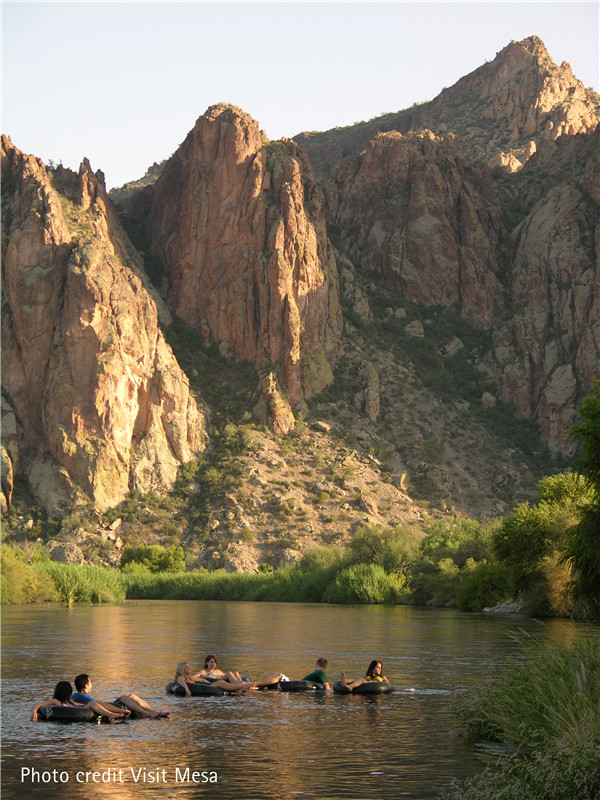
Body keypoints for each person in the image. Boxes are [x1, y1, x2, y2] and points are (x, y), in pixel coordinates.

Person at [72, 674, 169, 719]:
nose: (91, 685)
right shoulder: (83, 697)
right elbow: (100, 704)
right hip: (111, 706)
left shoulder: (78, 696)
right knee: (124, 697)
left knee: (132, 695)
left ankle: (154, 711)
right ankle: (148, 713)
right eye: (90, 683)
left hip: (109, 705)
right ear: (86, 686)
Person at [31, 680, 128, 722]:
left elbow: (80, 705)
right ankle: (111, 714)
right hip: (70, 714)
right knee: (93, 703)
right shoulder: (56, 701)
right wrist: (35, 712)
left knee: (97, 703)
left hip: (79, 710)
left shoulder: (70, 702)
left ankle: (119, 711)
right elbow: (40, 705)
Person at [193, 656, 283, 689]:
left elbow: (228, 676)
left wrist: (235, 675)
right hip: (214, 682)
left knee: (234, 672)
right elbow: (193, 677)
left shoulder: (218, 671)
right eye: (211, 662)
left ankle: (241, 683)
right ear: (206, 663)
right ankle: (242, 685)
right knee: (228, 673)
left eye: (214, 662)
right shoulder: (203, 672)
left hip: (223, 680)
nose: (213, 664)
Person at [174, 662, 257, 696]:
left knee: (220, 682)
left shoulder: (190, 677)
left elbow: (201, 680)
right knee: (220, 683)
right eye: (187, 668)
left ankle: (239, 690)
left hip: (207, 686)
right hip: (199, 688)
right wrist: (186, 689)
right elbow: (180, 681)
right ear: (182, 669)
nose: (190, 669)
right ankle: (241, 686)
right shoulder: (181, 677)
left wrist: (207, 682)